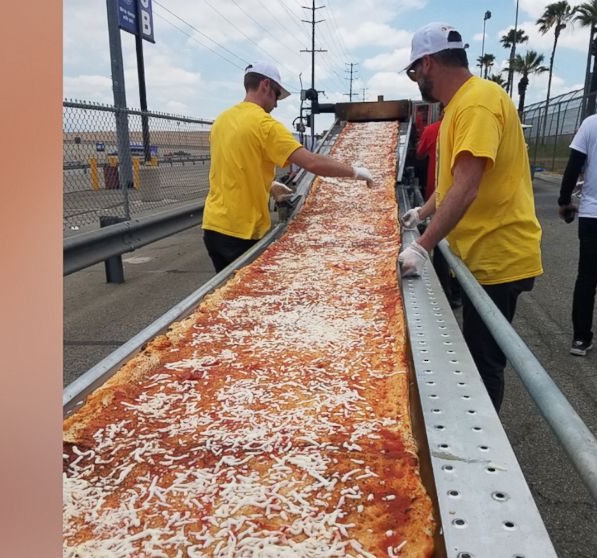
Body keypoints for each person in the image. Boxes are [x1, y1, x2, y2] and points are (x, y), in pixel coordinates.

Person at [398, 23, 543, 410]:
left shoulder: (477, 103)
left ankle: (483, 451)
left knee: (483, 365)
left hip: (497, 258)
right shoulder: (460, 105)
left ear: (428, 63)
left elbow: (468, 186)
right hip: (475, 252)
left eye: (414, 72)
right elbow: (452, 180)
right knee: (467, 354)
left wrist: (423, 246)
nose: (416, 81)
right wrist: (422, 211)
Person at [202, 61, 375, 272]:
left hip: (213, 226)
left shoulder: (222, 120)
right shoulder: (265, 125)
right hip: (242, 232)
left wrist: (270, 184)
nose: (276, 104)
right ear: (265, 85)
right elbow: (311, 161)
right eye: (276, 95)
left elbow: (235, 165)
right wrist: (355, 171)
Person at [558, 76, 597, 356]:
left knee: (587, 277)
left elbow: (573, 166)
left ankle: (581, 339)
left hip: (593, 214)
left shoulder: (592, 123)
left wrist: (564, 201)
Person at [413, 114, 462, 309]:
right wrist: (420, 213)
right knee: (454, 248)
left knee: (443, 244)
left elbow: (419, 153)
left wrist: (420, 246)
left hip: (442, 198)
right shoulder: (458, 125)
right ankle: (456, 294)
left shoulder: (433, 129)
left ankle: (445, 292)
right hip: (444, 197)